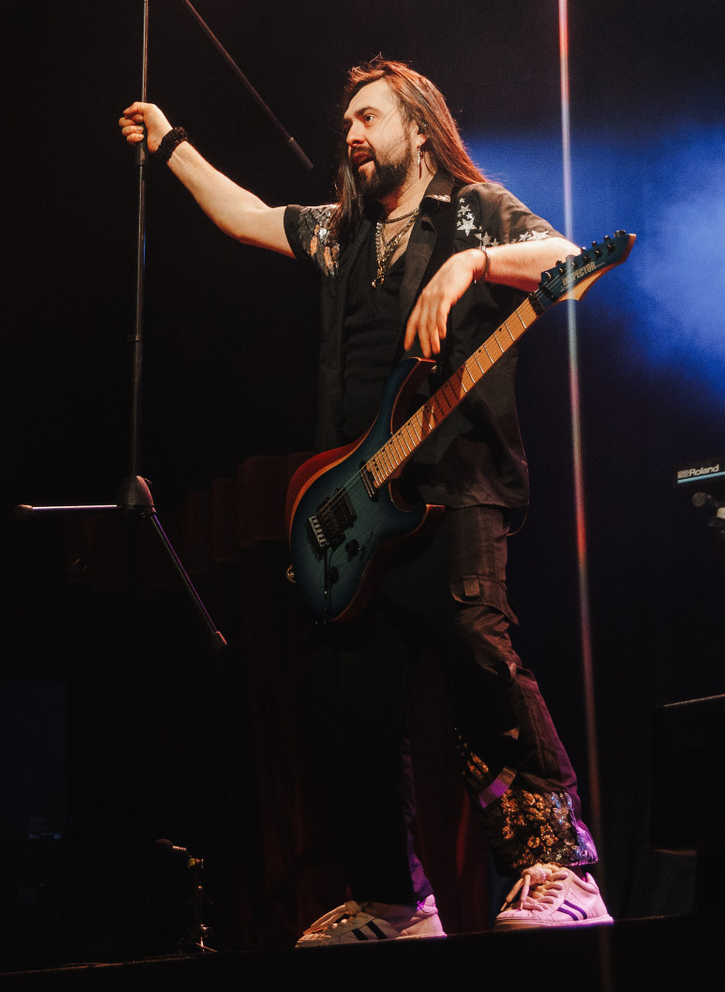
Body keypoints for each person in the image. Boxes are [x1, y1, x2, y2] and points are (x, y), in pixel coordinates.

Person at [118, 59, 610, 941]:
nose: (350, 133)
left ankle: (559, 873)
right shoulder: (341, 233)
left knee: (476, 653)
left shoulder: (472, 210)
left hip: (455, 490)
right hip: (362, 505)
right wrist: (170, 145)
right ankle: (392, 900)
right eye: (345, 120)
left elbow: (572, 260)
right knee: (350, 699)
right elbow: (244, 216)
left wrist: (472, 264)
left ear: (418, 127)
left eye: (369, 117)